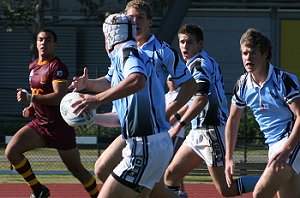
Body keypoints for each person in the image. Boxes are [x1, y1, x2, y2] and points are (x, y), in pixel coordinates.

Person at [69, 0, 196, 187]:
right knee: (106, 171)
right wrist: (88, 84)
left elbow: (190, 86)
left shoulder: (161, 51)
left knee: (132, 179)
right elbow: (111, 82)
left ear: (150, 22)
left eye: (140, 18)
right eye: (130, 18)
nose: (135, 22)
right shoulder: (123, 50)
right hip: (131, 123)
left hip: (150, 127)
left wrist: (170, 112)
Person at [163, 24, 260, 197]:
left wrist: (179, 124)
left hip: (211, 132)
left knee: (226, 190)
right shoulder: (195, 64)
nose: (185, 46)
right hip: (197, 132)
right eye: (182, 42)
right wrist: (175, 116)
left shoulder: (199, 65)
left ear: (200, 45)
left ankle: (273, 179)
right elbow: (194, 99)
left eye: (190, 42)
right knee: (171, 176)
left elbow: (202, 98)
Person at [5, 28, 99, 198]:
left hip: (60, 128)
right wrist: (31, 107)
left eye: (48, 40)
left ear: (54, 44)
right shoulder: (33, 67)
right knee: (11, 152)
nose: (43, 43)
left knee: (77, 170)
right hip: (39, 125)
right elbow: (38, 94)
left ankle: (98, 195)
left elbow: (58, 97)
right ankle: (38, 189)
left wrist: (30, 97)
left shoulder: (57, 67)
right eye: (40, 39)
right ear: (36, 43)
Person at [225, 28, 300, 198]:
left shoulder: (283, 80)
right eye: (244, 53)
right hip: (274, 146)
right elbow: (233, 119)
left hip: (291, 142)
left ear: (265, 54)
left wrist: (287, 149)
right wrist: (229, 157)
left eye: (252, 53)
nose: (248, 58)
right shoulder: (242, 84)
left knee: (260, 193)